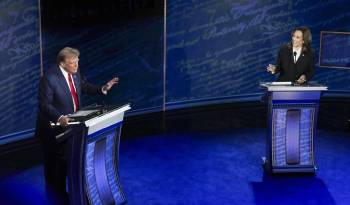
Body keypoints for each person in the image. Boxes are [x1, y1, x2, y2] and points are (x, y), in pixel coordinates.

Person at [35, 47, 118, 193]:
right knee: (54, 169)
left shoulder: (75, 72)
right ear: (62, 64)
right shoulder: (49, 78)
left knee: (67, 162)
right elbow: (44, 105)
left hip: (72, 126)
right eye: (73, 63)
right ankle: (55, 196)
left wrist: (102, 89)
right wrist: (59, 117)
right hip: (53, 130)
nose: (76, 65)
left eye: (77, 62)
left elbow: (84, 86)